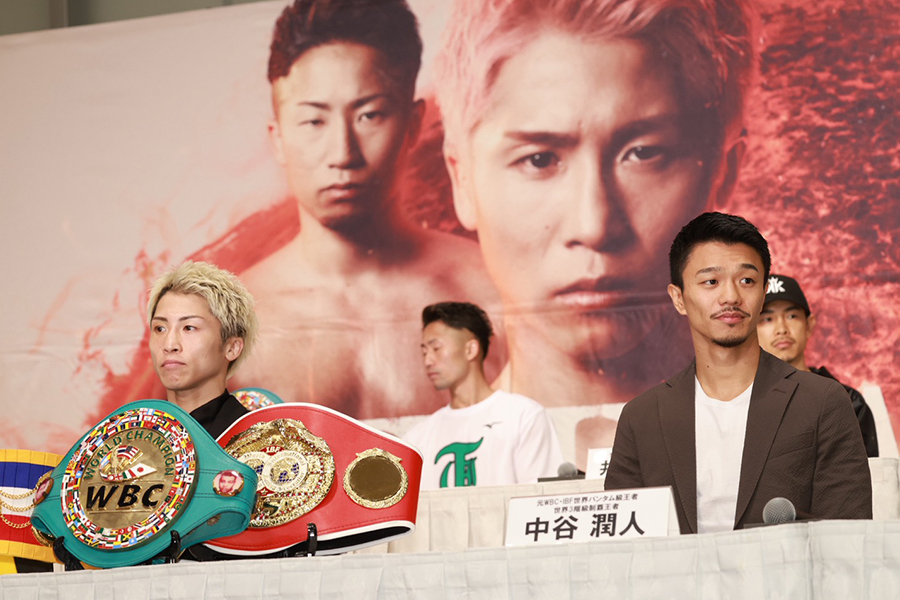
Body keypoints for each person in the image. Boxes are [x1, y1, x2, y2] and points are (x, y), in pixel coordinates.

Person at [433, 0, 757, 455]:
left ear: (723, 172)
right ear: (461, 180)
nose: (595, 224)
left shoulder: (806, 432)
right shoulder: (428, 464)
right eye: (539, 159)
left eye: (644, 153)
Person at [233, 0, 503, 418]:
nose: (342, 153)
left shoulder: (489, 291)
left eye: (369, 115)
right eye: (314, 122)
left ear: (413, 125)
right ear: (278, 139)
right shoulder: (230, 318)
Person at [605, 212, 872, 534]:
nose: (730, 296)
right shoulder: (642, 417)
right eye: (710, 282)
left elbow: (848, 539)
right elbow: (621, 551)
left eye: (747, 280)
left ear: (762, 294)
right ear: (679, 298)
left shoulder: (822, 402)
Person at [404, 302, 564, 489]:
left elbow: (541, 499)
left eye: (436, 348)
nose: (428, 360)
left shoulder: (524, 417)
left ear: (470, 349)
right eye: (424, 352)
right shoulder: (417, 438)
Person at [758, 274, 878, 456]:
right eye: (767, 319)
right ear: (751, 330)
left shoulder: (848, 401)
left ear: (809, 325)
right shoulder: (744, 401)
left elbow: (861, 479)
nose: (781, 328)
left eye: (791, 316)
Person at [148, 261, 259, 439]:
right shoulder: (129, 443)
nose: (169, 345)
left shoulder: (259, 442)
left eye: (189, 328)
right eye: (160, 329)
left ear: (232, 347)